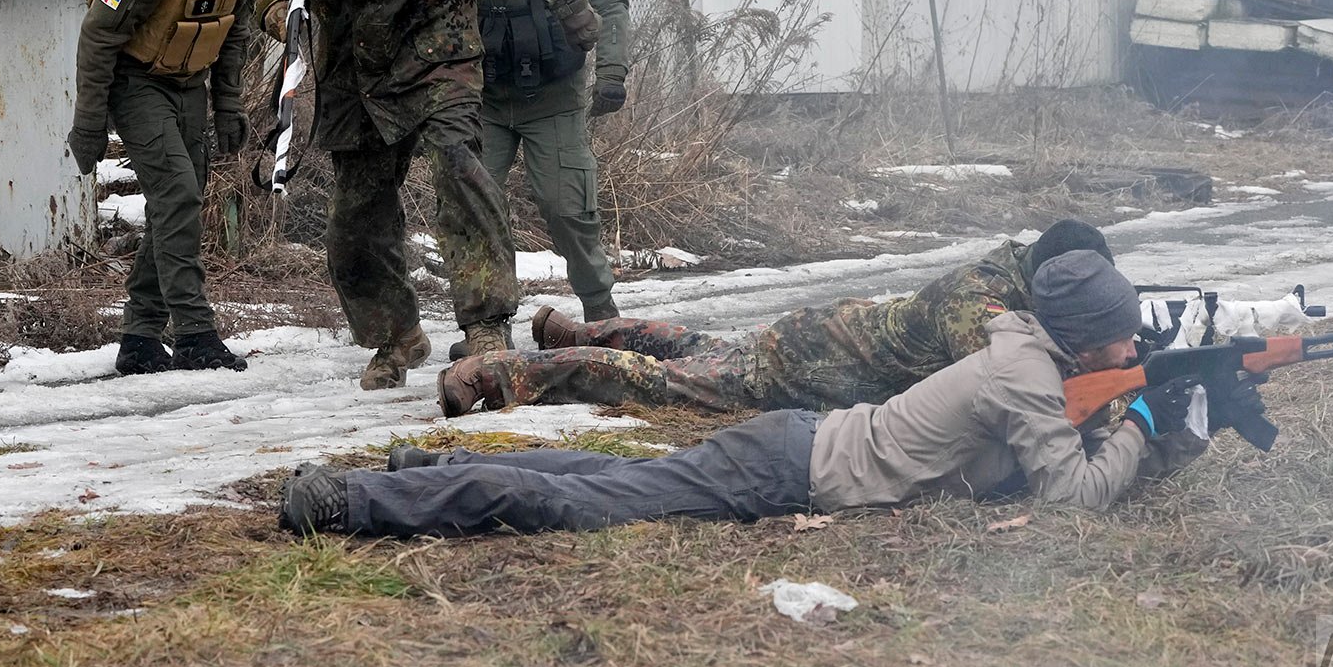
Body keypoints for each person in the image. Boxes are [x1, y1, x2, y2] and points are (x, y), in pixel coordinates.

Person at [279, 250, 1249, 537]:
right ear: (1083, 338)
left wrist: (1167, 417)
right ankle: (360, 499)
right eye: (1122, 335)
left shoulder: (1035, 354)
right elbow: (1074, 489)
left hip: (799, 445)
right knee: (578, 497)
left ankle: (425, 468)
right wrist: (1155, 419)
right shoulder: (1024, 372)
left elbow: (1053, 456)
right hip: (791, 465)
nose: (1129, 347)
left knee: (610, 475)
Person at [229, 0, 602, 390]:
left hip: (439, 62)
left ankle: (486, 326)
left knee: (459, 170)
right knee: (355, 215)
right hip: (351, 73)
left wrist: (578, 16)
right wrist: (276, 6)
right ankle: (393, 338)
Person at [436, 219, 1113, 416]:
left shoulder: (1003, 276)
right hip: (809, 365)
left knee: (695, 346)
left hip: (817, 338)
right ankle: (496, 373)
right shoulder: (985, 304)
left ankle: (570, 330)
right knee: (656, 381)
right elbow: (1008, 387)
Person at [66, 0, 254, 375]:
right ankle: (194, 332)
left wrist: (229, 105)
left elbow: (233, 30)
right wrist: (89, 124)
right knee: (178, 196)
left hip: (189, 85)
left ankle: (140, 337)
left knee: (175, 207)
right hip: (137, 83)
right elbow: (98, 36)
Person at [456, 0, 629, 324]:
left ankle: (599, 308)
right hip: (483, 102)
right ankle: (487, 327)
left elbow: (612, 5)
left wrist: (612, 74)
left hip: (553, 99)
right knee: (475, 211)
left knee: (566, 206)